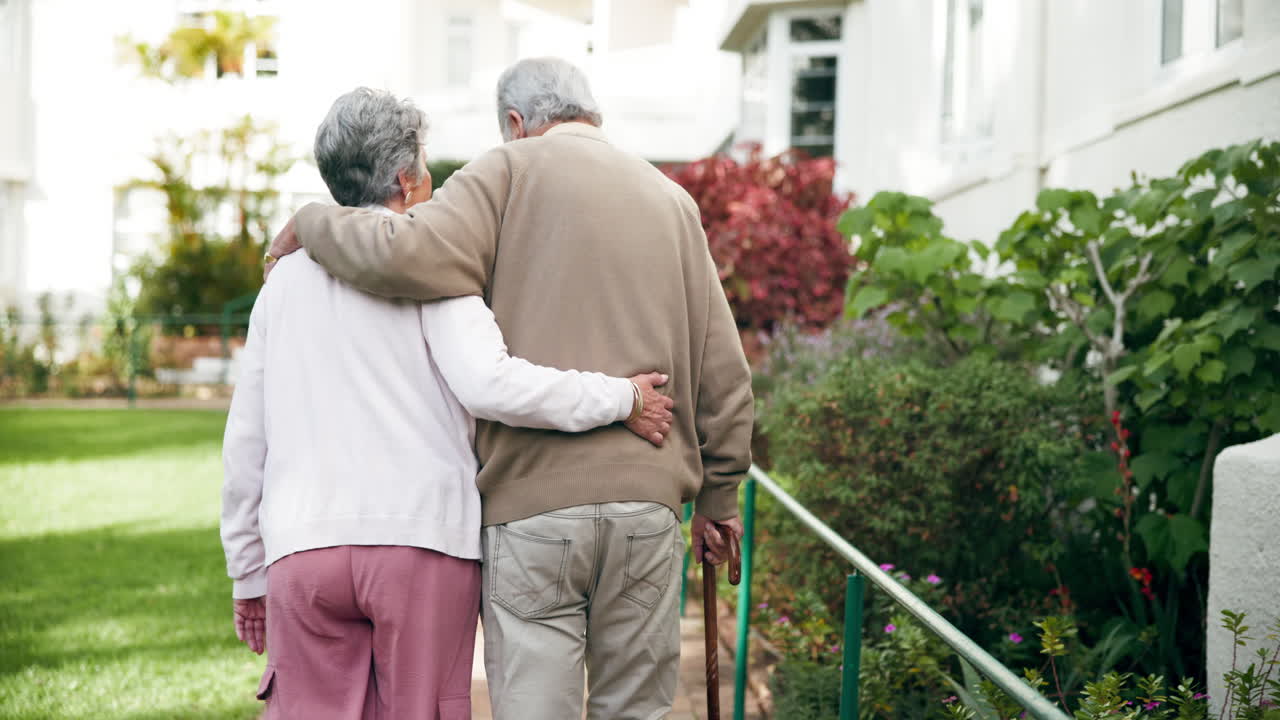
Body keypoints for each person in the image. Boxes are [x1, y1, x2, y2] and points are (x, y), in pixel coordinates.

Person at [266, 58, 754, 720]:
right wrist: (720, 498)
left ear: (517, 124)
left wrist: (314, 223)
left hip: (532, 507)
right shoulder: (671, 200)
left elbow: (404, 253)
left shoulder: (503, 174)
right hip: (648, 503)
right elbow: (725, 372)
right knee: (637, 709)